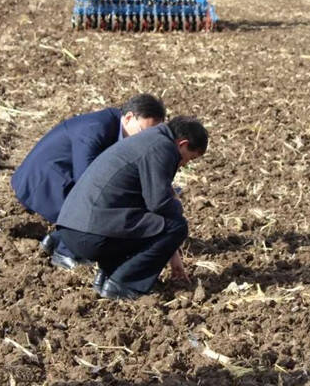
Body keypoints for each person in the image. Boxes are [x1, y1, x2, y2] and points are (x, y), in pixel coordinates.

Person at [48, 116, 208, 300]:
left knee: (146, 220)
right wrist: (177, 207)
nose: (186, 163)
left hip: (71, 230)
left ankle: (109, 275)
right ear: (183, 144)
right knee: (177, 225)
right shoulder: (162, 148)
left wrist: (174, 257)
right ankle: (122, 284)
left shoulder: (149, 140)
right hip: (90, 235)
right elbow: (160, 203)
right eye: (191, 157)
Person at [11, 93, 166, 230]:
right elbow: (85, 182)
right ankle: (64, 251)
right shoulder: (96, 129)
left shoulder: (122, 132)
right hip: (44, 184)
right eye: (142, 133)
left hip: (63, 179)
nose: (145, 141)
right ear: (128, 118)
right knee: (97, 212)